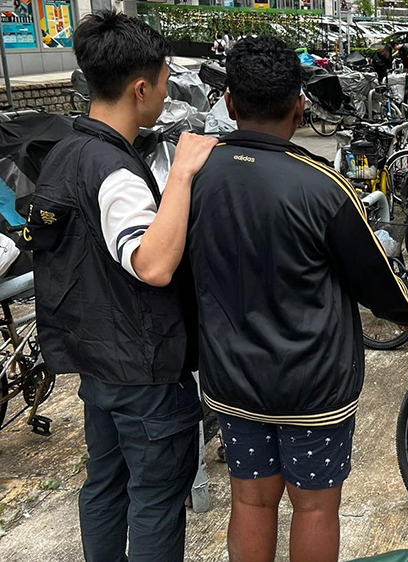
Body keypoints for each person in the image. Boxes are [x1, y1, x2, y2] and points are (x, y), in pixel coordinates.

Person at [186, 36, 408, 562]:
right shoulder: (323, 187)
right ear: (300, 105)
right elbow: (377, 283)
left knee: (249, 499)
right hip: (313, 386)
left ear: (229, 104)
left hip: (231, 378)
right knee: (315, 508)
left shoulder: (195, 176)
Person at [18, 11, 218, 562]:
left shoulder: (63, 152)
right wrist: (181, 173)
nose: (166, 88)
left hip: (95, 361)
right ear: (140, 88)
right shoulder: (116, 171)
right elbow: (151, 264)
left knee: (104, 487)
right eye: (164, 78)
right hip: (145, 370)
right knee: (154, 499)